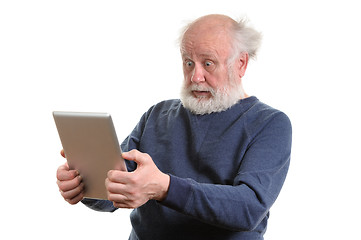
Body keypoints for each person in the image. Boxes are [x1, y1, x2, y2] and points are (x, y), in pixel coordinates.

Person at [56, 14, 292, 240]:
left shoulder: (270, 123)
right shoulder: (157, 115)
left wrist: (165, 188)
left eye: (208, 63)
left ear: (240, 64)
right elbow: (114, 194)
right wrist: (84, 184)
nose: (195, 76)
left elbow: (249, 208)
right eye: (189, 63)